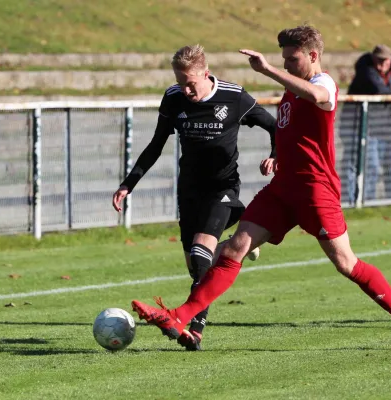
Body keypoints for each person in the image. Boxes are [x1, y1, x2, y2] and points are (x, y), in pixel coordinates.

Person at [131, 26, 391, 352]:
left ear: (313, 56)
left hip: (316, 191)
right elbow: (289, 135)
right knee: (232, 250)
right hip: (283, 189)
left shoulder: (322, 83)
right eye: (281, 59)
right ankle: (179, 317)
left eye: (291, 58)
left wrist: (266, 70)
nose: (284, 65)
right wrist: (276, 155)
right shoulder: (290, 93)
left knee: (346, 263)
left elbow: (319, 97)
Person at [112, 44, 276, 350]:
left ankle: (194, 329)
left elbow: (275, 126)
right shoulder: (174, 97)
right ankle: (239, 239)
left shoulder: (233, 96)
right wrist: (128, 183)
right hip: (189, 190)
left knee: (202, 254)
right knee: (196, 266)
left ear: (206, 74)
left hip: (223, 188)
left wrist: (275, 155)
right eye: (180, 81)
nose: (186, 89)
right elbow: (156, 144)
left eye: (191, 83)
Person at [345, 45, 391, 203]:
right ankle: (356, 202)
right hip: (356, 127)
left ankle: (371, 201)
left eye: (384, 60)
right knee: (363, 166)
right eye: (378, 60)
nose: (381, 64)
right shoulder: (366, 71)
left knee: (380, 166)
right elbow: (378, 88)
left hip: (379, 127)